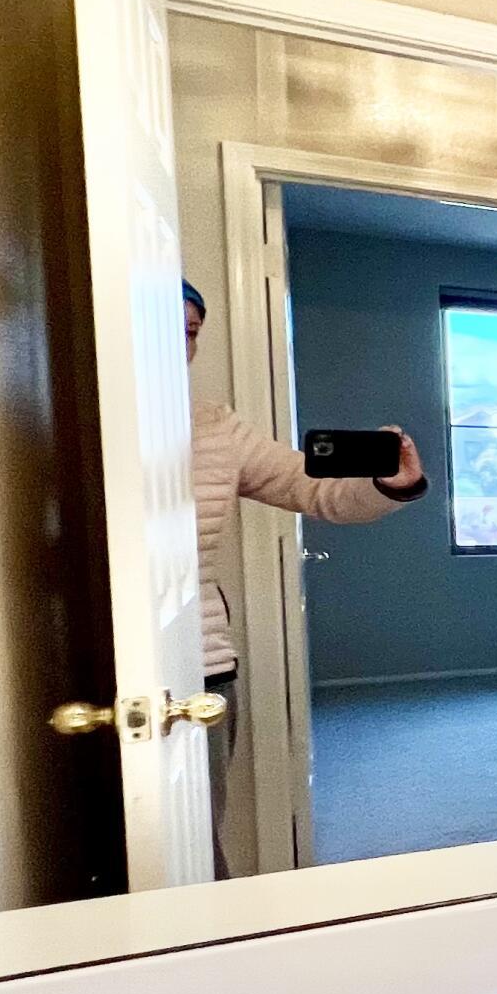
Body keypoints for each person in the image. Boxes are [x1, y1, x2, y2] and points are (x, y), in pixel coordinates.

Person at [184, 280, 426, 875]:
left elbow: (307, 486)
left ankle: (217, 949)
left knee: (193, 833)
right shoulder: (67, 414)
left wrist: (388, 483)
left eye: (189, 333)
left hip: (202, 661)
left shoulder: (215, 426)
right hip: (103, 665)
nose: (177, 347)